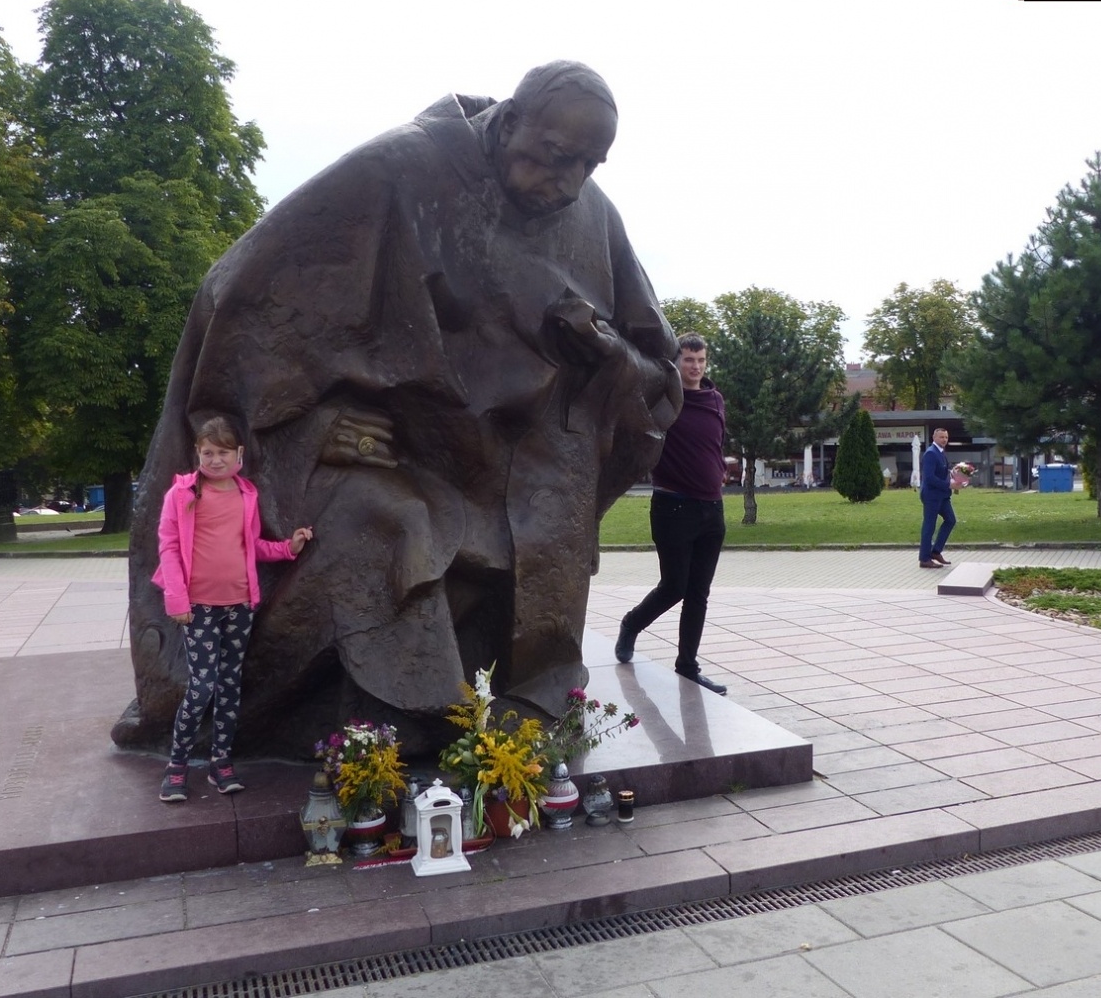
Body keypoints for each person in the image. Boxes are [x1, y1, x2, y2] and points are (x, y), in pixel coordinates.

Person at [118, 62, 680, 756]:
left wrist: (607, 353)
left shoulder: (591, 216)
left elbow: (657, 370)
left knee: (552, 509)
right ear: (508, 124)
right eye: (555, 158)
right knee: (390, 523)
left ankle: (522, 708)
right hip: (386, 453)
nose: (567, 182)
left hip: (515, 467)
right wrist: (314, 430)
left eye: (589, 165)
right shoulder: (399, 170)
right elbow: (236, 304)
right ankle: (387, 720)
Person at [152, 416, 313, 802]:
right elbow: (169, 547)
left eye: (223, 452)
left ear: (238, 454)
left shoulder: (247, 495)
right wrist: (176, 599)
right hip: (198, 607)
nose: (216, 459)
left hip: (240, 605)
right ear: (198, 454)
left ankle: (220, 764)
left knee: (228, 687)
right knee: (202, 686)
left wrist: (287, 549)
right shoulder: (182, 494)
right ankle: (176, 768)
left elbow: (252, 544)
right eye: (208, 452)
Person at [614, 334, 729, 694]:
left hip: (712, 509)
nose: (695, 366)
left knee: (699, 593)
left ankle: (687, 666)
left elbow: (713, 444)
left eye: (700, 360)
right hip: (673, 507)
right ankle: (632, 624)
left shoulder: (715, 400)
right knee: (675, 585)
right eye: (688, 360)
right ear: (676, 362)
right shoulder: (664, 400)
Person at [918, 427, 955, 569]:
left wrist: (956, 475)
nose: (944, 440)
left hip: (943, 496)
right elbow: (929, 478)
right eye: (941, 437)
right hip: (931, 496)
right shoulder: (930, 454)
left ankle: (936, 551)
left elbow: (943, 471)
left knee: (951, 520)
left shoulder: (940, 452)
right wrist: (949, 485)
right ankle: (924, 559)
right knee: (929, 526)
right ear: (934, 438)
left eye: (946, 437)